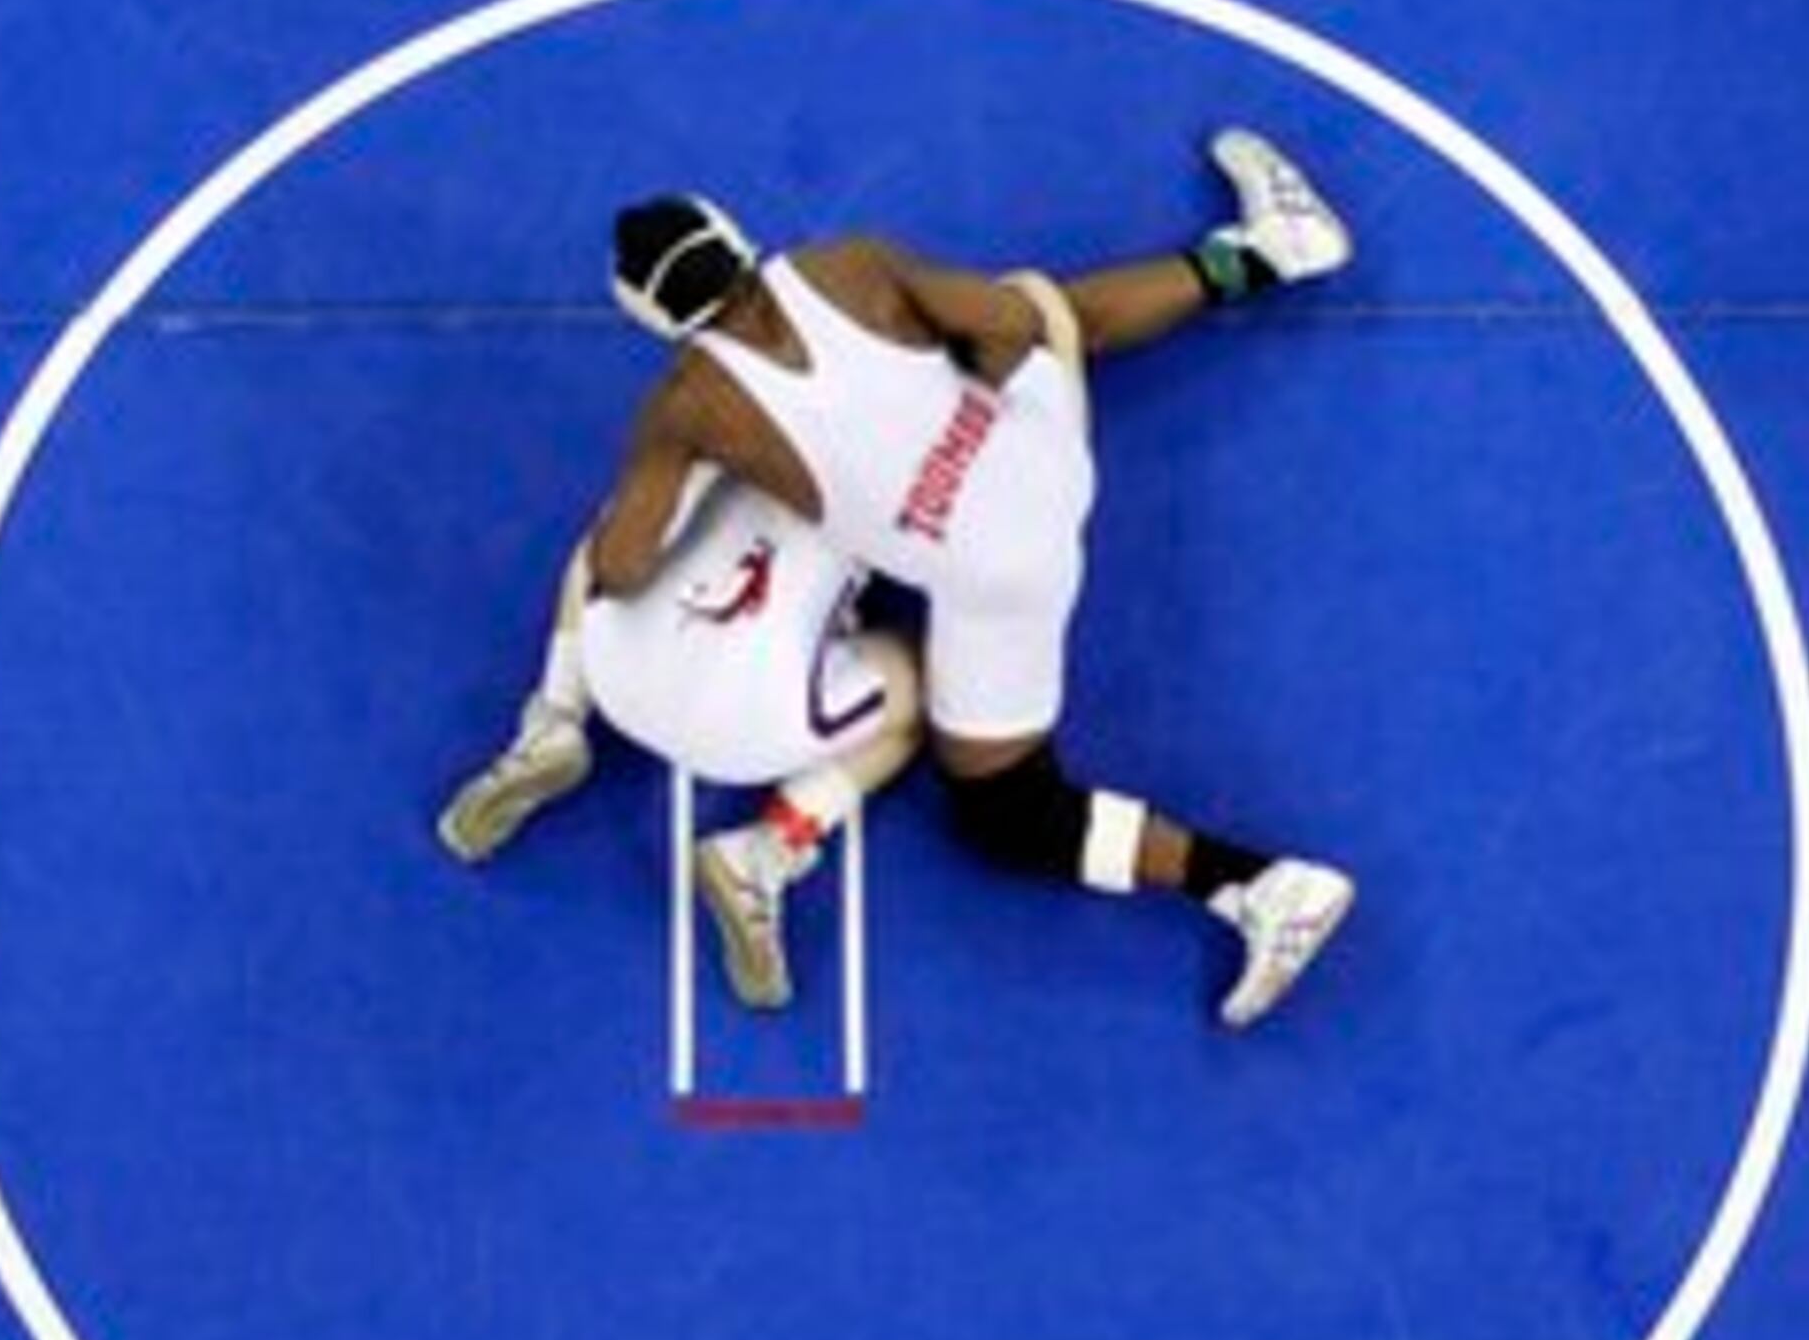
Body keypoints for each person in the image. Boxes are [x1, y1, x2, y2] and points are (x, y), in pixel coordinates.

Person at [453, 127, 1360, 1031]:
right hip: (1040, 486)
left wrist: (691, 463)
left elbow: (619, 565)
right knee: (1036, 302)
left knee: (1011, 814)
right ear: (731, 236)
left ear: (649, 315)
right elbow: (1009, 327)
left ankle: (1261, 887)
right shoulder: (847, 266)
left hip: (987, 588)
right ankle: (1268, 251)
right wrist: (950, 401)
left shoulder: (687, 407)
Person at [438, 468, 922, 1013]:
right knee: (916, 684)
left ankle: (557, 714)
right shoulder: (925, 474)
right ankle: (767, 846)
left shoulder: (737, 390)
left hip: (617, 670)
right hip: (749, 741)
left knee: (620, 523)